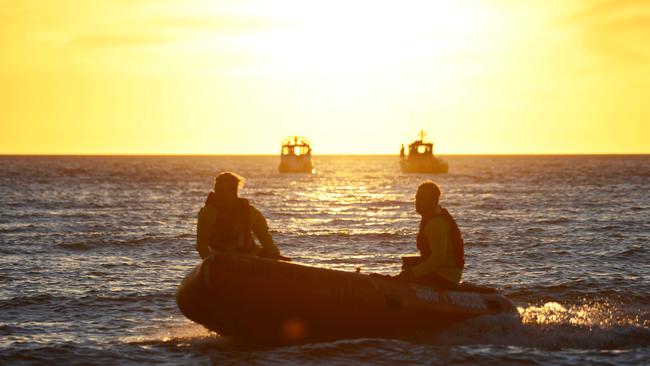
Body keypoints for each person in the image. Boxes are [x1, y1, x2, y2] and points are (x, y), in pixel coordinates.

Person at [196, 172, 281, 260]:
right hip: (220, 259)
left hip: (249, 258)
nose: (218, 195)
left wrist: (275, 255)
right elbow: (201, 247)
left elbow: (265, 239)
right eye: (216, 190)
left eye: (221, 191)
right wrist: (212, 262)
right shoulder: (209, 212)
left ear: (234, 190)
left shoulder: (250, 212)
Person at [398, 181, 464, 288]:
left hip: (445, 277)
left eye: (422, 197)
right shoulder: (431, 219)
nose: (417, 201)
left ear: (433, 201)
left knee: (408, 272)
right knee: (408, 264)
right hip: (442, 273)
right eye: (417, 197)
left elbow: (438, 259)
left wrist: (412, 273)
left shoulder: (436, 223)